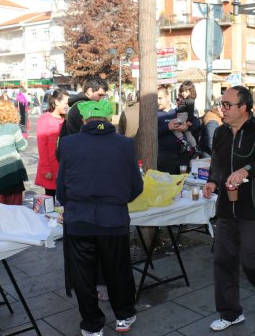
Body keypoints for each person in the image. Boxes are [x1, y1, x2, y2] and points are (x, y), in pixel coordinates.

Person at [202, 86, 255, 331]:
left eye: (227, 105)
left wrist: (248, 169)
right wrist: (212, 181)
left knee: (251, 260)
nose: (222, 109)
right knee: (223, 260)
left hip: (254, 208)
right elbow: (217, 164)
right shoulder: (220, 132)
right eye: (221, 103)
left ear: (244, 108)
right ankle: (230, 314)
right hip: (226, 207)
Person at [56, 100, 143, 336]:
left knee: (83, 277)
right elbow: (136, 185)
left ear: (83, 120)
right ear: (108, 118)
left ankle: (92, 326)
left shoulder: (68, 143)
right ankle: (124, 317)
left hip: (79, 221)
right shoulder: (124, 144)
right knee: (118, 270)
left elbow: (61, 188)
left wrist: (71, 204)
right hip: (113, 219)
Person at [157, 86, 200, 174]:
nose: (158, 101)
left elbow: (196, 122)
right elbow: (150, 134)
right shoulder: (154, 114)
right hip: (164, 158)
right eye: (156, 99)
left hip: (183, 158)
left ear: (168, 97)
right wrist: (167, 127)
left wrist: (187, 126)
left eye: (160, 98)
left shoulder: (177, 111)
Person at [36, 89, 69, 197]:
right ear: (56, 101)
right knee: (50, 202)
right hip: (50, 168)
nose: (67, 106)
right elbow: (42, 146)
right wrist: (46, 168)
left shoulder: (67, 121)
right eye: (66, 103)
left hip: (64, 168)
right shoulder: (44, 119)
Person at [172, 81, 198, 154]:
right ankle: (194, 147)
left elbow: (191, 112)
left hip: (183, 116)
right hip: (182, 116)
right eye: (182, 91)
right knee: (188, 133)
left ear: (191, 91)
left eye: (186, 91)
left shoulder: (190, 101)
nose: (183, 93)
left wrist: (189, 121)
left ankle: (184, 142)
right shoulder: (185, 100)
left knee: (173, 127)